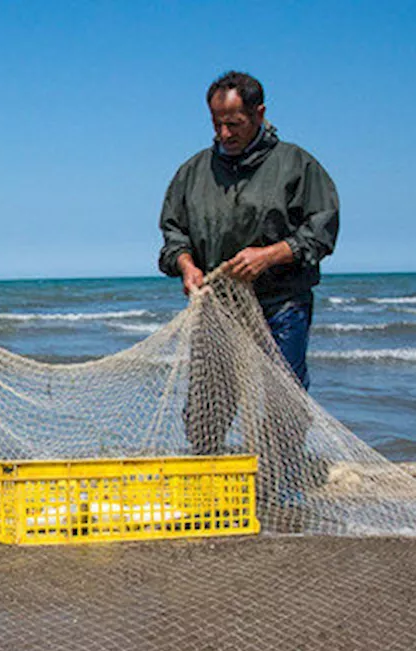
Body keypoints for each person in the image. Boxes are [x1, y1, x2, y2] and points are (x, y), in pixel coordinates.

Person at [158, 71, 339, 469]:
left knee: (282, 403)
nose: (224, 133)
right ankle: (210, 479)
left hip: (280, 304)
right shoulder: (192, 172)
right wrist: (186, 266)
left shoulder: (296, 165)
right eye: (216, 124)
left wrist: (270, 254)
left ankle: (283, 486)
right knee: (207, 407)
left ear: (259, 114)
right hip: (217, 309)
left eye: (234, 124)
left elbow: (322, 232)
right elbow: (174, 235)